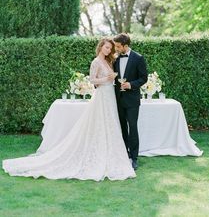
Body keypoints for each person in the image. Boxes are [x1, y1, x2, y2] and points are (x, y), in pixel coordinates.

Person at [2, 38, 136, 181]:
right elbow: (92, 80)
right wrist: (107, 79)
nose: (108, 50)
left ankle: (112, 154)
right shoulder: (96, 62)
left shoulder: (109, 62)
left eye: (110, 48)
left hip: (110, 97)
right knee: (99, 124)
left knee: (111, 124)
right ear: (101, 47)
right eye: (106, 47)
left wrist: (113, 78)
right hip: (102, 95)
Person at [113, 33, 148, 170]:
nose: (115, 49)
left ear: (125, 46)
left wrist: (131, 85)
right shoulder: (115, 59)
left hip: (132, 100)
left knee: (132, 128)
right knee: (122, 128)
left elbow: (143, 78)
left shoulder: (138, 58)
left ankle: (134, 158)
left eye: (117, 46)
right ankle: (124, 154)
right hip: (118, 100)